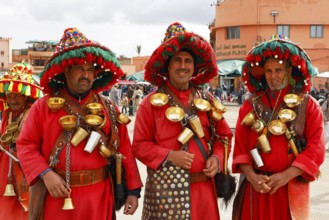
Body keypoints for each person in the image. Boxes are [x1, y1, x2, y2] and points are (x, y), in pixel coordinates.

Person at [16, 27, 143, 220]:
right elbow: (25, 145)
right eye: (80, 69)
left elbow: (123, 148)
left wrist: (133, 190)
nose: (86, 75)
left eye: (90, 70)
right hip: (56, 197)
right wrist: (45, 173)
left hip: (98, 197)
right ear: (66, 71)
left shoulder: (109, 107)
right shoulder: (42, 107)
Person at [132, 22, 233, 220]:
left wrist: (217, 158)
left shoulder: (208, 100)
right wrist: (169, 155)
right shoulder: (149, 104)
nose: (183, 66)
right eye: (177, 60)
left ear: (194, 67)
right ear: (167, 66)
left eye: (188, 61)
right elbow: (139, 146)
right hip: (165, 194)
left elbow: (224, 136)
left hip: (204, 191)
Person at [232, 35, 325, 220]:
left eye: (278, 70)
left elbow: (316, 148)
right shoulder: (249, 105)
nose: (273, 76)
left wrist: (287, 175)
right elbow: (240, 147)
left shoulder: (308, 105)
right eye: (268, 71)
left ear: (289, 70)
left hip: (290, 188)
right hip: (255, 189)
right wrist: (251, 176)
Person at [0, 61, 43, 219]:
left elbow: (39, 147)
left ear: (26, 96)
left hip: (26, 169)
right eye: (9, 96)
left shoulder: (34, 115)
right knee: (5, 208)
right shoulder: (6, 114)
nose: (13, 100)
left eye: (17, 96)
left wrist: (28, 174)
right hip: (5, 168)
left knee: (26, 209)